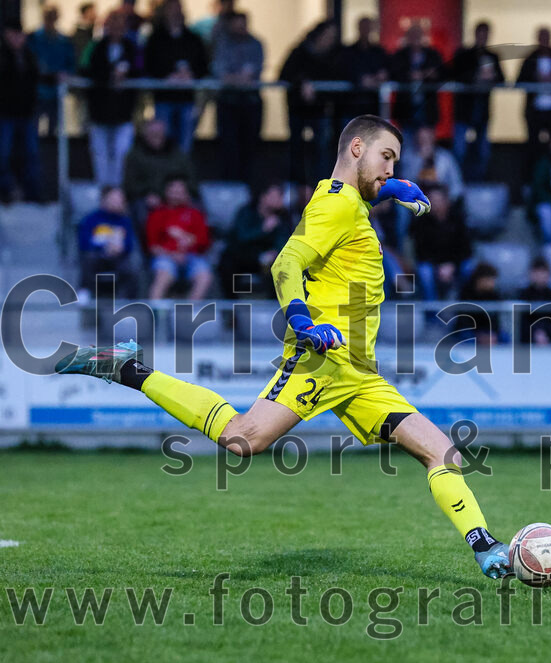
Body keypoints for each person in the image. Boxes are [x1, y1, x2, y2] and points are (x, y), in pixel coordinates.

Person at [56, 115, 514, 580]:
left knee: (440, 451)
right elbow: (286, 262)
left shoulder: (348, 200)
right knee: (242, 439)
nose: (391, 169)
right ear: (356, 148)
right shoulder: (335, 205)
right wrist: (301, 317)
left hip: (358, 372)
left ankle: (486, 546)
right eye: (387, 158)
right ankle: (124, 368)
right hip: (322, 357)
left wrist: (389, 190)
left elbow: (347, 220)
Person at [82, 9, 140, 187]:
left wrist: (126, 77)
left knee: (121, 153)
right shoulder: (95, 46)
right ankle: (103, 191)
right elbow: (85, 69)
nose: (116, 29)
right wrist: (109, 76)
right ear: (106, 26)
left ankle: (117, 192)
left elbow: (141, 70)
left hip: (123, 112)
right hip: (99, 111)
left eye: (120, 25)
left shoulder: (132, 48)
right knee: (100, 154)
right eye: (112, 24)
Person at [279, 20, 341, 185]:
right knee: (296, 148)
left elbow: (337, 76)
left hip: (320, 110)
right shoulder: (299, 52)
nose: (330, 40)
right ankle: (295, 184)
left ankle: (321, 184)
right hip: (298, 108)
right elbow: (284, 74)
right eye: (328, 36)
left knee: (321, 149)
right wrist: (302, 82)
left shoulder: (334, 56)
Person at [143, 0, 207, 154]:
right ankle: (165, 174)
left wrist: (191, 75)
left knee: (185, 141)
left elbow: (203, 64)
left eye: (178, 10)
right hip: (164, 98)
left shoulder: (193, 39)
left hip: (186, 98)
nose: (175, 13)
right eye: (171, 10)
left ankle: (181, 175)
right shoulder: (155, 39)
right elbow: (149, 64)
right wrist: (166, 76)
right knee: (163, 139)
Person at [123, 117, 197, 237]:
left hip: (179, 195)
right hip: (148, 198)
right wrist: (146, 194)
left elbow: (192, 178)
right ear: (145, 135)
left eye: (159, 133)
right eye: (152, 134)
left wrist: (183, 192)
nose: (156, 137)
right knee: (139, 208)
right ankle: (149, 249)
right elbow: (129, 184)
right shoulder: (134, 155)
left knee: (196, 205)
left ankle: (194, 246)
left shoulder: (177, 153)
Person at [212, 11, 264, 182]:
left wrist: (235, 78)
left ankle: (249, 184)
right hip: (228, 102)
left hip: (251, 103)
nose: (240, 28)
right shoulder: (222, 44)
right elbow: (220, 73)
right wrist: (237, 79)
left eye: (243, 24)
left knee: (250, 146)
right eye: (237, 24)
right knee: (228, 146)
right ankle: (229, 183)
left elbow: (255, 72)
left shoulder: (256, 44)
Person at [449, 21, 505, 178]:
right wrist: (476, 77)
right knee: (459, 150)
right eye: (480, 33)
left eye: (486, 34)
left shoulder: (493, 56)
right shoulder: (463, 54)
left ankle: (479, 181)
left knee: (483, 151)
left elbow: (502, 79)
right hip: (464, 110)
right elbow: (456, 74)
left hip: (483, 111)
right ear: (475, 34)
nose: (483, 37)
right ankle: (457, 182)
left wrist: (491, 78)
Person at [217, 180, 289, 298]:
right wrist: (263, 229)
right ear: (264, 197)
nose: (280, 199)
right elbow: (241, 237)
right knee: (227, 263)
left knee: (280, 267)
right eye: (277, 195)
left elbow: (285, 241)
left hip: (267, 261)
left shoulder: (283, 217)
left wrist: (276, 251)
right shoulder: (246, 212)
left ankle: (275, 308)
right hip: (243, 256)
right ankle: (232, 308)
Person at [145, 175, 213, 299]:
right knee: (163, 275)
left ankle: (190, 311)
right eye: (173, 191)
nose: (176, 195)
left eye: (180, 191)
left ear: (186, 194)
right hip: (165, 257)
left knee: (204, 276)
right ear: (166, 193)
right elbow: (153, 247)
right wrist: (171, 254)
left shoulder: (196, 214)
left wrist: (189, 240)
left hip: (191, 257)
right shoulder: (157, 214)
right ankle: (155, 313)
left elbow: (204, 243)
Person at [516, 27, 551, 175]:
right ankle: (531, 178)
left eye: (546, 38)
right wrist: (535, 78)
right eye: (541, 38)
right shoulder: (530, 59)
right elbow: (519, 80)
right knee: (533, 147)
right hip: (535, 111)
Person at [0, 19, 42, 203]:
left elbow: (37, 78)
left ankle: (32, 193)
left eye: (20, 35)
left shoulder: (29, 56)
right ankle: (6, 191)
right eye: (13, 34)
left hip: (26, 114)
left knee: (31, 154)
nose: (17, 39)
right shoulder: (2, 57)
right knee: (3, 154)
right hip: (5, 114)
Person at [410, 183, 472, 301]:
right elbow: (421, 251)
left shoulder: (458, 219)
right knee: (425, 273)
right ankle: (431, 313)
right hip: (432, 264)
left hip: (455, 262)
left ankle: (463, 306)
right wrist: (438, 266)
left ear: (446, 201)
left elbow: (465, 248)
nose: (435, 204)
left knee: (468, 267)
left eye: (438, 200)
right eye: (431, 201)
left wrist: (453, 265)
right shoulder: (421, 222)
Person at [77, 185, 138, 298]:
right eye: (114, 199)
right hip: (98, 255)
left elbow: (129, 243)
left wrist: (120, 249)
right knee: (88, 259)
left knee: (131, 267)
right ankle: (85, 292)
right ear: (104, 200)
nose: (118, 202)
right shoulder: (91, 219)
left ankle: (126, 299)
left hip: (118, 256)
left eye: (120, 199)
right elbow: (84, 242)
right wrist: (104, 248)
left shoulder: (125, 221)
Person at [27, 4, 76, 138]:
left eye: (53, 16)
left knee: (53, 131)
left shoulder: (64, 41)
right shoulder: (33, 38)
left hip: (55, 91)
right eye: (48, 16)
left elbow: (70, 64)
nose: (50, 20)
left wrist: (65, 75)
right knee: (32, 130)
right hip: (37, 91)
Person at [388, 24, 443, 135]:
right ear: (407, 37)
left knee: (427, 147)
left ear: (423, 36)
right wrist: (413, 75)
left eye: (418, 35)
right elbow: (394, 74)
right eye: (412, 35)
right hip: (406, 110)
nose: (415, 38)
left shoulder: (433, 54)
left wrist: (422, 74)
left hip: (428, 110)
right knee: (407, 145)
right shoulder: (399, 55)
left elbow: (441, 73)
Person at [338, 16, 388, 128]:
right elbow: (343, 71)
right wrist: (360, 80)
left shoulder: (379, 52)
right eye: (363, 27)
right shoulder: (348, 52)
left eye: (368, 27)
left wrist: (379, 78)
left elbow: (387, 71)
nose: (366, 30)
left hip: (373, 106)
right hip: (352, 105)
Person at [517, 257, 551, 345]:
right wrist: (535, 332)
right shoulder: (522, 296)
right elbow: (520, 322)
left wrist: (546, 333)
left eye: (543, 272)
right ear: (530, 274)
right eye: (536, 272)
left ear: (548, 274)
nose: (539, 276)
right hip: (528, 342)